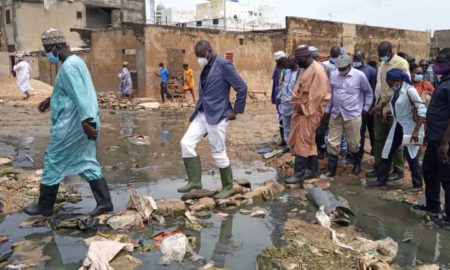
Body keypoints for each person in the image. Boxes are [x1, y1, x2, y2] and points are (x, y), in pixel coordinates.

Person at [23, 28, 113, 217]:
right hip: (83, 122)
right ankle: (104, 203)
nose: (48, 54)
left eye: (48, 50)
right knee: (86, 161)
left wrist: (86, 121)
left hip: (74, 125)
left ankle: (45, 206)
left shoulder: (69, 67)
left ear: (56, 47)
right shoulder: (75, 62)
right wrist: (49, 101)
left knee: (53, 159)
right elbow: (68, 90)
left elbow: (81, 96)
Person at [178, 40, 247, 199]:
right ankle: (195, 181)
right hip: (202, 113)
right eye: (197, 57)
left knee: (218, 151)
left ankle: (228, 186)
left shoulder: (224, 65)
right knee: (186, 143)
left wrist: (236, 111)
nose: (199, 59)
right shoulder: (206, 67)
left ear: (209, 52)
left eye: (201, 56)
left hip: (218, 115)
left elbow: (242, 87)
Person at [368, 69, 426, 191]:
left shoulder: (410, 91)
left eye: (390, 83)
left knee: (411, 155)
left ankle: (417, 184)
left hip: (411, 128)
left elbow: (422, 111)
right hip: (398, 126)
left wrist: (415, 131)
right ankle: (381, 180)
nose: (389, 85)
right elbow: (396, 106)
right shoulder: (396, 90)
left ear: (398, 81)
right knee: (387, 151)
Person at [412, 48, 450, 228]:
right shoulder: (444, 81)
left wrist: (445, 142)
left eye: (440, 62)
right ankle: (433, 205)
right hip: (434, 136)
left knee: (447, 178)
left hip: (444, 139)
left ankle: (448, 217)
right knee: (429, 170)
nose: (436, 65)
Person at [284, 45, 331, 184]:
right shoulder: (306, 68)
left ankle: (299, 174)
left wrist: (303, 108)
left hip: (310, 112)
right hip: (301, 110)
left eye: (299, 61)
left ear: (307, 57)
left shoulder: (318, 70)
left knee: (302, 140)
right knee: (309, 141)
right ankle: (312, 171)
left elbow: (318, 96)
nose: (298, 64)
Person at [325, 54, 373, 176]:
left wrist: (366, 108)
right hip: (336, 113)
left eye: (343, 69)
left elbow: (369, 93)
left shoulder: (359, 76)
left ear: (349, 65)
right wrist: (327, 110)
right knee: (332, 142)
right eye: (339, 69)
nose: (341, 71)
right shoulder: (334, 75)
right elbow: (332, 93)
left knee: (354, 143)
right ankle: (331, 170)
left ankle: (357, 164)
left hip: (353, 114)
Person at [368, 41, 409, 181]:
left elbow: (404, 87)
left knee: (395, 141)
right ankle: (379, 167)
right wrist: (379, 104)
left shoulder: (402, 64)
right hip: (382, 106)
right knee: (379, 139)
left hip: (395, 109)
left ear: (390, 51)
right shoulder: (383, 65)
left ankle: (398, 169)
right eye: (380, 56)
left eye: (383, 55)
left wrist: (389, 105)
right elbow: (383, 89)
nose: (381, 58)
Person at [353, 50, 377, 159]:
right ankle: (358, 155)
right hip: (357, 106)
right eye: (354, 59)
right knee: (360, 132)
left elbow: (371, 90)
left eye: (358, 59)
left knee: (372, 129)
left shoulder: (371, 71)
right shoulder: (352, 70)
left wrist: (369, 107)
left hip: (369, 105)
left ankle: (374, 148)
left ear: (363, 58)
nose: (355, 62)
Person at [276, 55, 299, 146]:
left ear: (295, 62)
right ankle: (288, 145)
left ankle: (294, 146)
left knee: (294, 126)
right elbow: (284, 87)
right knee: (286, 126)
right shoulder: (286, 72)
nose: (287, 64)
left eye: (290, 62)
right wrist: (278, 97)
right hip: (284, 103)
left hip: (293, 104)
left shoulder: (299, 74)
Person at [272, 51, 287, 146]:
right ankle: (283, 140)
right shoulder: (277, 69)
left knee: (285, 120)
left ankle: (287, 142)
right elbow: (276, 84)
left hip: (286, 99)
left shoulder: (288, 71)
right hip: (279, 97)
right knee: (281, 119)